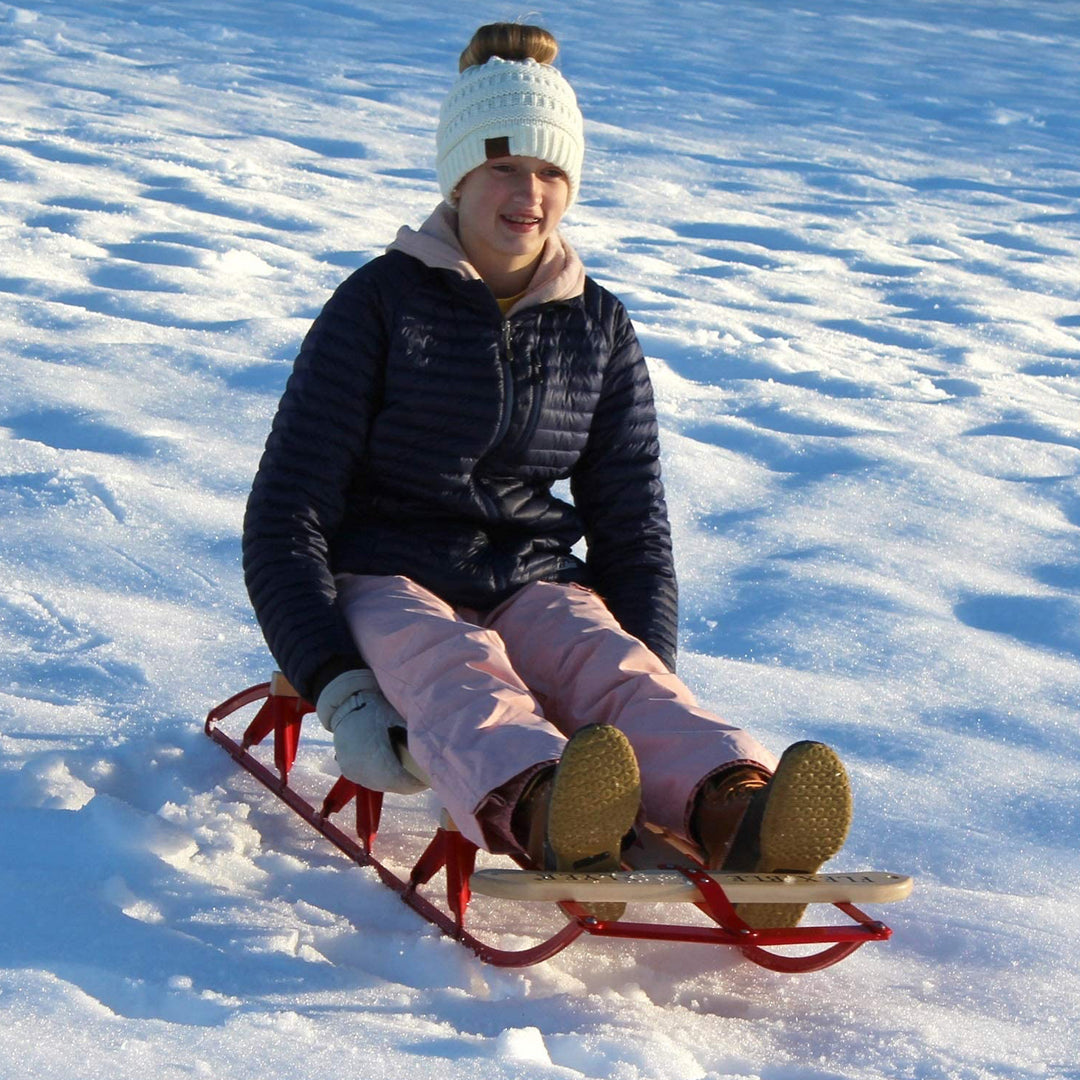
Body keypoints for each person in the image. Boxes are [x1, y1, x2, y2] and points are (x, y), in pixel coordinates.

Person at [242, 22, 852, 926]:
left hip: (531, 576)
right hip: (385, 572)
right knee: (456, 675)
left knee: (613, 673)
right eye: (504, 165)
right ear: (458, 174)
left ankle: (739, 813)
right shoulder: (376, 305)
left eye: (552, 171)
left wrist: (643, 675)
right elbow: (284, 512)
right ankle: (547, 806)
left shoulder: (596, 326)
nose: (530, 193)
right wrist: (338, 683)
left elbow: (631, 519)